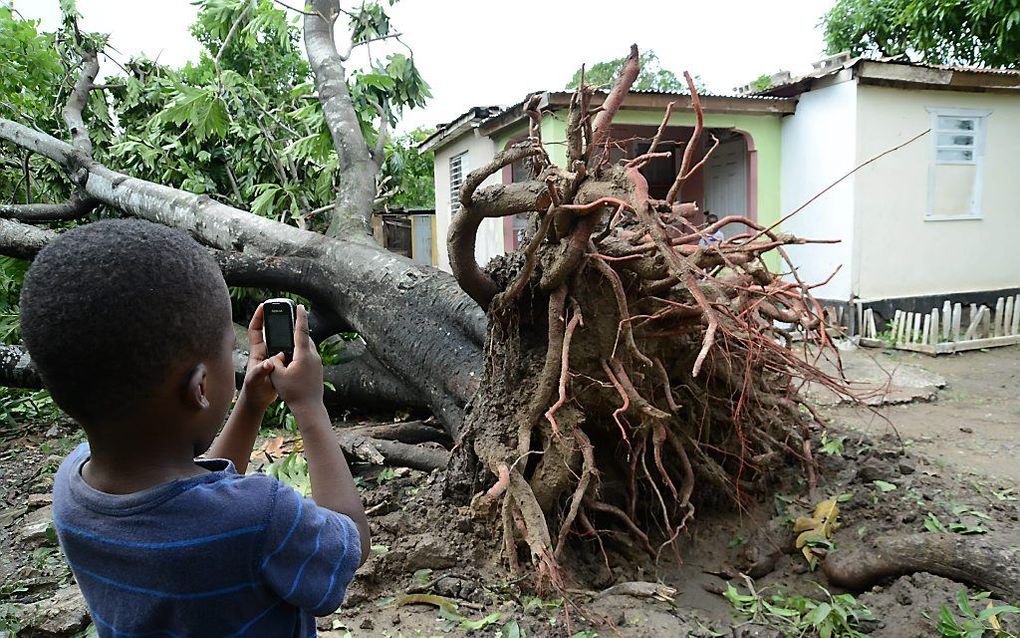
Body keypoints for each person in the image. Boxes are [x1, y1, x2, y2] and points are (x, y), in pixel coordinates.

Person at [19, 219, 370, 637]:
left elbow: (195, 488)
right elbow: (350, 545)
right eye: (229, 351)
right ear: (201, 387)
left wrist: (250, 404)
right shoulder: (262, 516)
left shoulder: (72, 488)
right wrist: (309, 407)